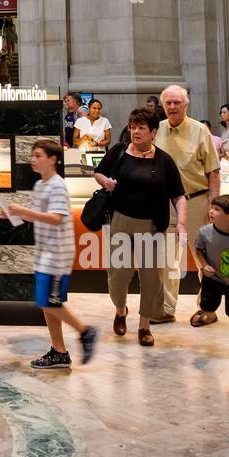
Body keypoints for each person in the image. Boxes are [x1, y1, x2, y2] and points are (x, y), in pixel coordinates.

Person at [94, 108, 186, 347]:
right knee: (119, 273)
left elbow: (179, 196)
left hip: (152, 225)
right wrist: (105, 181)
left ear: (153, 132)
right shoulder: (119, 151)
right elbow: (98, 172)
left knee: (150, 277)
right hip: (121, 221)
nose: (135, 131)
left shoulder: (164, 160)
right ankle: (120, 309)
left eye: (141, 128)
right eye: (133, 126)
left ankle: (144, 325)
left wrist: (182, 223)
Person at [3, 138, 97, 369]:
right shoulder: (41, 185)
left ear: (53, 159)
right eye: (33, 156)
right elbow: (38, 213)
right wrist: (16, 214)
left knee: (48, 302)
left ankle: (85, 331)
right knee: (48, 304)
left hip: (57, 255)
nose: (33, 160)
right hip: (45, 254)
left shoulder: (57, 185)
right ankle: (59, 351)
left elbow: (56, 217)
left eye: (38, 156)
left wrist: (25, 211)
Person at [154, 85, 220, 321]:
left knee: (204, 258)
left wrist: (215, 204)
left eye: (177, 103)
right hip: (164, 205)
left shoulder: (200, 130)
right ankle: (165, 310)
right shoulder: (157, 129)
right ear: (163, 106)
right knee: (166, 260)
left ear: (186, 105)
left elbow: (213, 170)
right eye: (168, 103)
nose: (172, 107)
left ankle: (208, 309)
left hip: (196, 202)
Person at [189, 194, 229, 359]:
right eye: (211, 208)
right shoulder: (204, 232)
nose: (211, 211)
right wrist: (203, 265)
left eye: (216, 209)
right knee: (207, 305)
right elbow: (199, 250)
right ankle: (209, 314)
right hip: (213, 277)